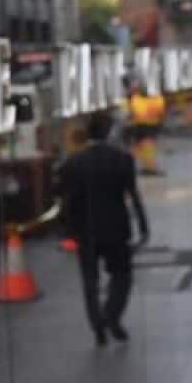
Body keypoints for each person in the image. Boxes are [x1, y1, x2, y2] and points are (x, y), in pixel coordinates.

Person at [57, 114, 150, 347]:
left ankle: (97, 325)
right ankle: (112, 315)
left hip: (85, 230)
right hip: (116, 227)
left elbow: (66, 201)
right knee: (122, 275)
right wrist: (143, 225)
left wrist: (67, 230)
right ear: (109, 132)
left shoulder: (73, 163)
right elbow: (133, 195)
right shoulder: (123, 159)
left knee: (90, 279)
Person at [127, 81, 166, 176]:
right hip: (148, 125)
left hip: (141, 125)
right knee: (146, 147)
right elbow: (160, 113)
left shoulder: (135, 99)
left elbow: (132, 112)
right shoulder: (156, 99)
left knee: (140, 147)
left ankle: (147, 167)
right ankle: (149, 168)